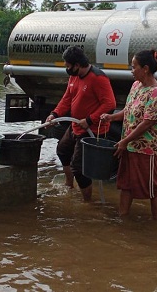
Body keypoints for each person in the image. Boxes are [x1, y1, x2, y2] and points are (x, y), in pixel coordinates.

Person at [100, 49, 157, 220]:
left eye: (133, 67)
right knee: (126, 184)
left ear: (145, 68)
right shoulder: (136, 86)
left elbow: (147, 122)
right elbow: (128, 110)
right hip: (129, 145)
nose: (131, 70)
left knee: (154, 188)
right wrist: (111, 117)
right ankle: (123, 218)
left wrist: (124, 141)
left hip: (147, 148)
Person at [45, 46, 116, 201]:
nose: (67, 69)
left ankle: (87, 202)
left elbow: (110, 104)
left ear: (77, 65)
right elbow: (67, 99)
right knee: (63, 150)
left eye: (68, 66)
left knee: (78, 168)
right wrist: (54, 114)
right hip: (75, 125)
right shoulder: (74, 76)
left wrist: (89, 119)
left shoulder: (98, 78)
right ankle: (69, 185)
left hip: (91, 129)